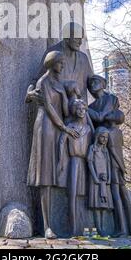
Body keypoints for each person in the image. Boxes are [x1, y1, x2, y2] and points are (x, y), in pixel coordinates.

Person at [27, 50, 80, 239]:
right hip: (47, 128)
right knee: (45, 178)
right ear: (52, 63)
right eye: (60, 62)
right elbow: (49, 108)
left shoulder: (58, 83)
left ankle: (58, 222)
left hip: (58, 128)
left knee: (56, 174)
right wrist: (64, 128)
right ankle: (47, 226)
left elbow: (65, 109)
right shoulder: (44, 82)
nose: (63, 65)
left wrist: (72, 95)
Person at [26, 22, 93, 104]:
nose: (80, 42)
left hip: (79, 110)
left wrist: (106, 98)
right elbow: (38, 79)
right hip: (58, 107)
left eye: (81, 39)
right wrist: (30, 93)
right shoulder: (52, 53)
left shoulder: (83, 58)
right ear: (67, 38)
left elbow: (93, 83)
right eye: (77, 38)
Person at [57, 98, 93, 235]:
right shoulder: (70, 126)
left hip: (84, 163)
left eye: (84, 109)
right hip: (73, 162)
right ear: (74, 110)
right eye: (79, 109)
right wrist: (60, 162)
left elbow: (91, 147)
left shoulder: (88, 129)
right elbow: (61, 143)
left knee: (83, 194)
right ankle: (73, 228)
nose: (81, 111)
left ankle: (83, 225)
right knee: (72, 194)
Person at [106, 110, 131, 236]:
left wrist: (121, 166)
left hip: (114, 166)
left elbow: (113, 151)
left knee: (117, 197)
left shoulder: (110, 133)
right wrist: (123, 166)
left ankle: (122, 228)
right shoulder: (119, 132)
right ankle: (129, 227)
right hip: (120, 165)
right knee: (124, 196)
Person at [87, 127, 114, 236]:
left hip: (105, 180)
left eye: (106, 138)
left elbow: (108, 165)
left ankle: (104, 226)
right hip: (96, 180)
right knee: (97, 205)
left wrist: (109, 179)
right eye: (102, 137)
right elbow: (89, 163)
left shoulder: (105, 150)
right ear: (97, 137)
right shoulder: (92, 148)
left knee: (104, 205)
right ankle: (99, 228)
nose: (104, 139)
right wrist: (94, 178)